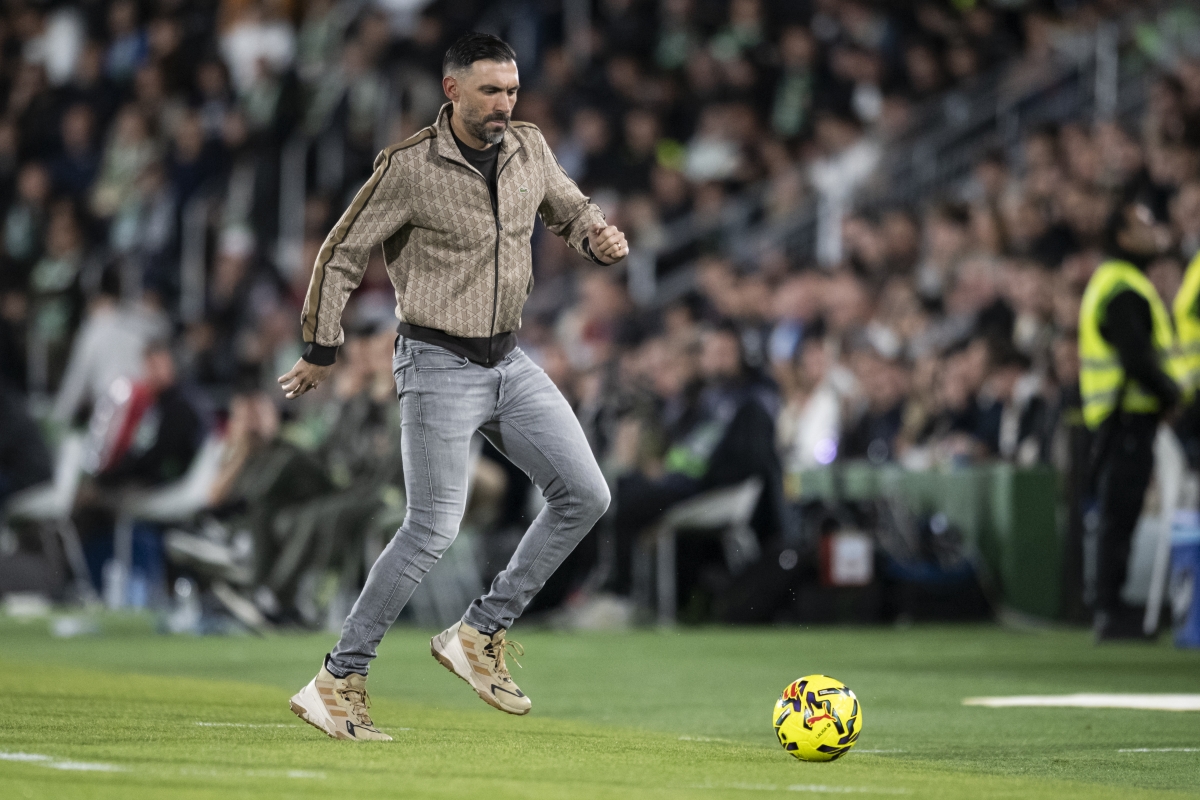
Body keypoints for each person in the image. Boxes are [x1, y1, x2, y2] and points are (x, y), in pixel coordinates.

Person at [280, 32, 627, 741]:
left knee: (587, 494)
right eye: (490, 91)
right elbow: (342, 251)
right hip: (436, 360)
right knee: (432, 526)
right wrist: (321, 344)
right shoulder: (408, 167)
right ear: (452, 91)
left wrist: (594, 235)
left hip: (509, 360)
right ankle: (337, 679)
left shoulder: (529, 146)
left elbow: (566, 204)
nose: (504, 104)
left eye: (511, 90)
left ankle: (479, 633)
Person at [1077, 203, 1187, 642]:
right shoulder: (1123, 287)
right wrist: (1172, 394)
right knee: (1118, 518)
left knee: (1115, 516)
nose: (1153, 231)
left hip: (1115, 419)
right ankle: (1110, 611)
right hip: (1127, 418)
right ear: (1122, 237)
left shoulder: (1112, 281)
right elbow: (1137, 356)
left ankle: (1108, 607)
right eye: (1143, 225)